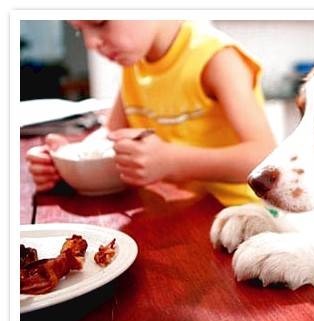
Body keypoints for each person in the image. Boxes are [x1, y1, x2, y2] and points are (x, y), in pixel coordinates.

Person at [26, 20, 276, 206]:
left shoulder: (217, 58)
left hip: (236, 215)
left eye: (99, 23)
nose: (91, 43)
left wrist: (171, 162)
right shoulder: (135, 63)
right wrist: (68, 160)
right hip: (173, 211)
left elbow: (261, 155)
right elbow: (109, 134)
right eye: (81, 30)